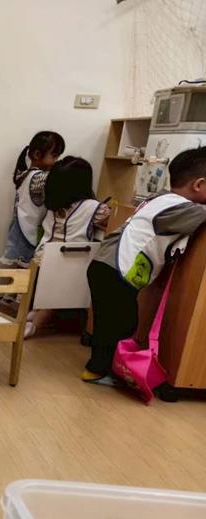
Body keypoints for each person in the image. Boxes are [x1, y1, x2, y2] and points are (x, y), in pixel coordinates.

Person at [84, 146, 206, 387]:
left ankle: (102, 367)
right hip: (116, 269)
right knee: (119, 324)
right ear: (199, 184)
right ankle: (97, 370)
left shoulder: (161, 198)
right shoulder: (181, 209)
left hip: (107, 265)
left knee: (110, 322)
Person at [26, 156, 111, 337]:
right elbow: (110, 221)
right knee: (56, 295)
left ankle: (33, 314)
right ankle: (35, 325)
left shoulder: (54, 203)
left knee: (50, 290)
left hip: (42, 256)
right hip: (68, 260)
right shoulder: (94, 208)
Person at [0, 131, 66, 268]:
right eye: (54, 156)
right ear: (36, 155)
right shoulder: (38, 177)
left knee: (20, 272)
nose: (56, 161)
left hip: (21, 229)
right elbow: (57, 182)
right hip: (28, 231)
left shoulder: (25, 174)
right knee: (25, 274)